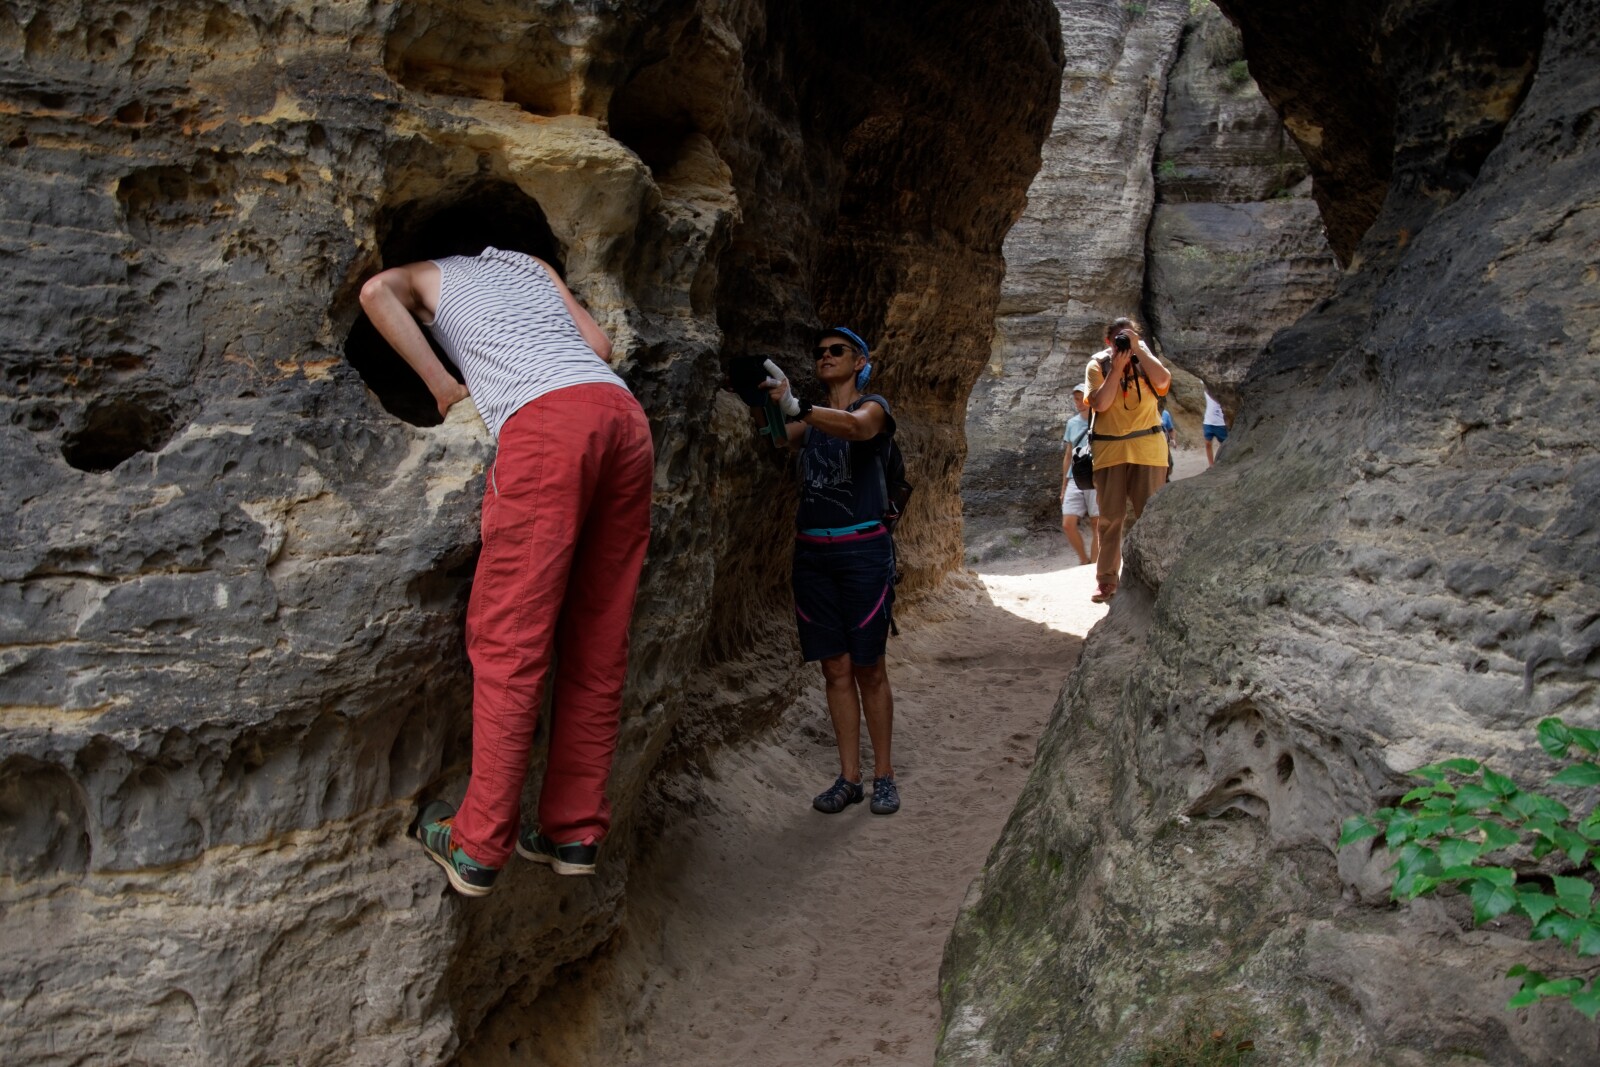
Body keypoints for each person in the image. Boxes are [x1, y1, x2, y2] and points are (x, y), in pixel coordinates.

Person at [360, 245, 654, 896]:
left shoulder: (425, 275)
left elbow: (376, 292)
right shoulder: (528, 264)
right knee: (599, 637)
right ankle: (573, 830)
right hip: (624, 418)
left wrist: (445, 387)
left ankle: (479, 843)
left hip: (548, 421)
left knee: (511, 638)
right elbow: (600, 346)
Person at [762, 327, 901, 816]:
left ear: (859, 360)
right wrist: (769, 403)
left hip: (863, 552)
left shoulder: (874, 407)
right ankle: (850, 778)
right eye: (819, 352)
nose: (825, 357)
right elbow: (779, 439)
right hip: (813, 555)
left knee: (869, 667)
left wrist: (797, 407)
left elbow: (858, 428)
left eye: (836, 351)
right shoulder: (813, 421)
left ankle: (884, 775)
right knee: (835, 668)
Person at [1085, 316, 1172, 604]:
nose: (1123, 344)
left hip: (1148, 449)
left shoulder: (1145, 360)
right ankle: (1107, 580)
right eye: (1118, 340)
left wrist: (1140, 350)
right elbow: (1101, 403)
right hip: (1110, 452)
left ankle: (1156, 575)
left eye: (1129, 338)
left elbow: (1163, 381)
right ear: (1108, 341)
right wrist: (1116, 369)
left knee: (1150, 515)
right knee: (1110, 519)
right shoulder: (1098, 365)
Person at [1060, 383, 1098, 566]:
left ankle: (1094, 566)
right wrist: (1064, 485)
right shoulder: (1072, 423)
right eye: (1076, 399)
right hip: (1076, 476)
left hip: (1097, 476)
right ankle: (1084, 560)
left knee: (1097, 523)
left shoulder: (1101, 420)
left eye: (1081, 398)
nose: (1078, 403)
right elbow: (1068, 455)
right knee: (1068, 523)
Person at [1203, 389, 1229, 465]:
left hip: (1221, 423)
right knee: (1207, 443)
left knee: (1224, 444)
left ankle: (1225, 462)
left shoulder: (1223, 392)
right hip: (1208, 421)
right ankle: (1211, 464)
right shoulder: (1207, 391)